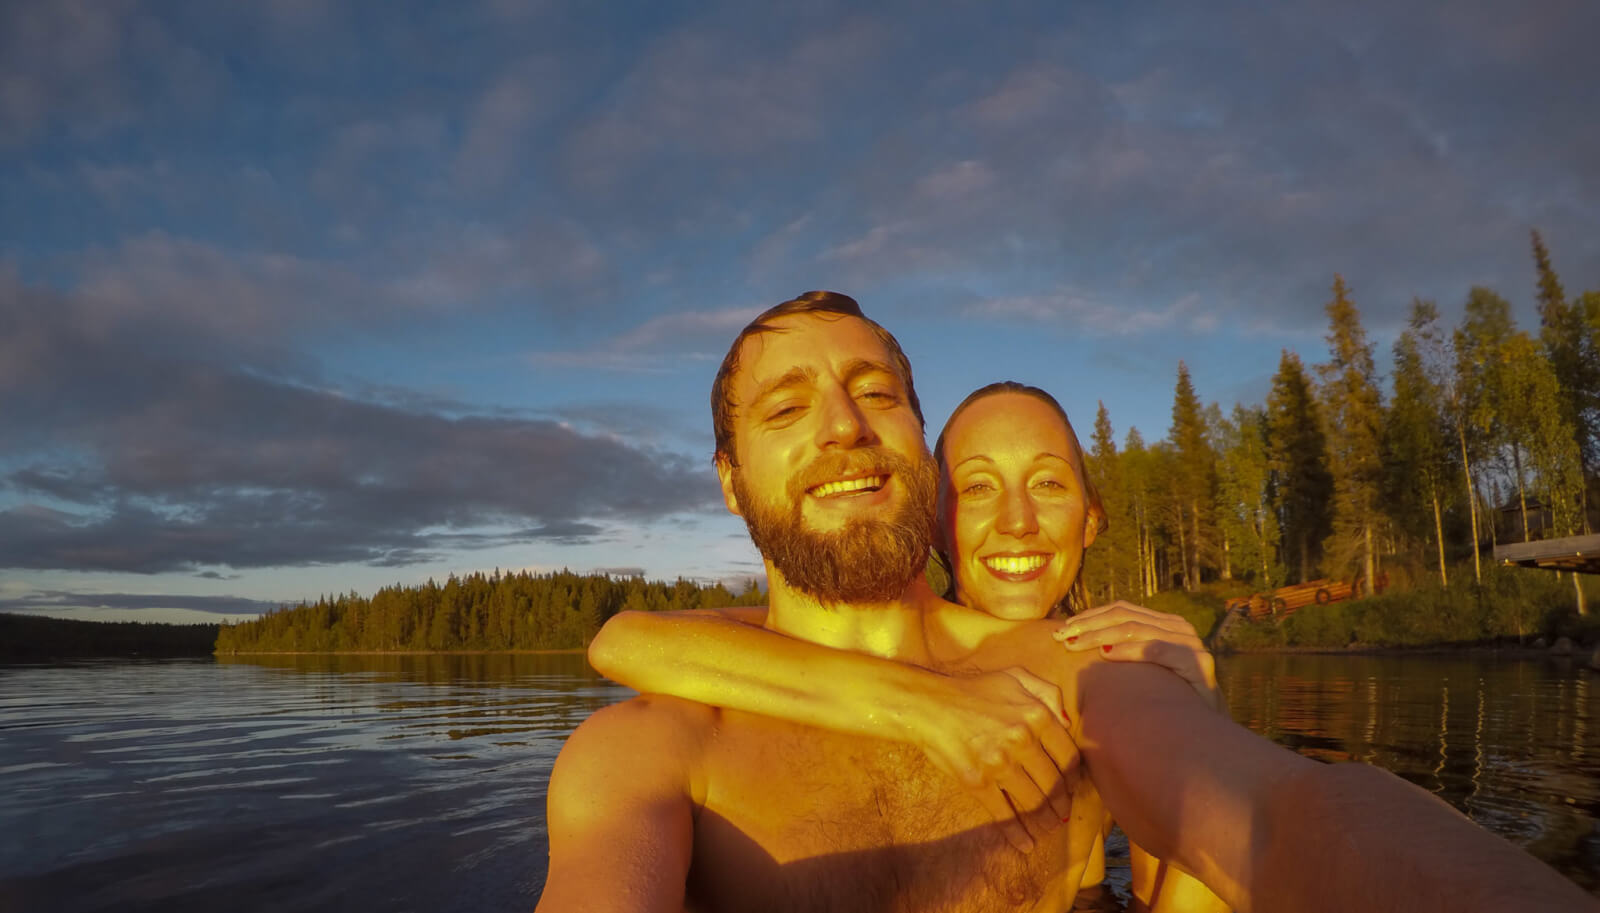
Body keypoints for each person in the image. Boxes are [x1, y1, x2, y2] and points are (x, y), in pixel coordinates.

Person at [536, 291, 1597, 913]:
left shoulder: (1072, 670)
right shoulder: (648, 748)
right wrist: (924, 707)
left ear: (916, 446)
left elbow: (1277, 814)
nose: (843, 428)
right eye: (786, 406)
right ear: (730, 479)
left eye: (876, 393)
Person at [585, 379, 1225, 911]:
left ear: (1090, 520)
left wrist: (1201, 724)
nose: (1017, 521)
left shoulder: (1114, 680)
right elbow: (629, 640)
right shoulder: (874, 645)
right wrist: (924, 702)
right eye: (976, 488)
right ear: (935, 523)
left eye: (1050, 484)